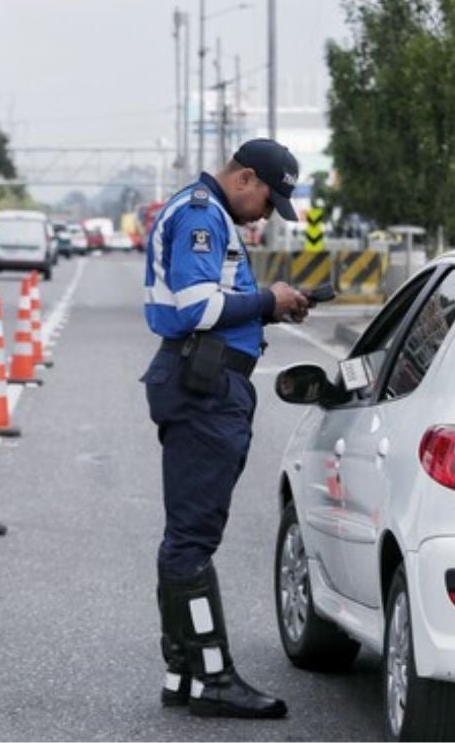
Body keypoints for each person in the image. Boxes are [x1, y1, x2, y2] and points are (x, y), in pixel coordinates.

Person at [141, 139, 311, 719]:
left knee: (185, 538)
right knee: (192, 542)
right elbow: (195, 306)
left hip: (206, 385)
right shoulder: (200, 216)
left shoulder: (207, 211)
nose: (267, 213)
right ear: (244, 178)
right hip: (205, 390)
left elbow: (214, 300)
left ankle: (183, 672)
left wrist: (273, 305)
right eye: (268, 199)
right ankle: (214, 678)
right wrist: (269, 299)